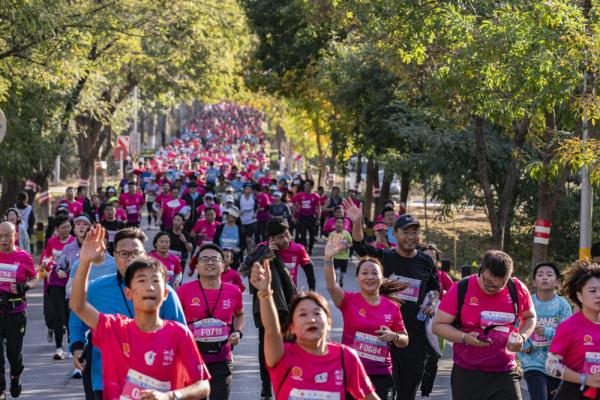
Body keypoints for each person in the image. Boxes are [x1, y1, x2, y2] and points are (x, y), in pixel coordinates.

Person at [70, 226, 211, 400]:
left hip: (162, 386)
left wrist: (170, 395)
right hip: (106, 383)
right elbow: (78, 307)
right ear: (129, 292)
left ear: (165, 292)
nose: (149, 288)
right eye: (124, 254)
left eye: (135, 253)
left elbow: (202, 384)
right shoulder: (115, 326)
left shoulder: (178, 331)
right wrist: (85, 262)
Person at [345, 199, 439, 400]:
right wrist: (356, 222)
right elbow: (360, 247)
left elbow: (434, 288)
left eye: (415, 232)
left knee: (407, 392)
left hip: (413, 337)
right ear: (394, 234)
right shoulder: (385, 258)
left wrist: (432, 301)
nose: (411, 236)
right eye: (406, 232)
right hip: (382, 335)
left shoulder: (425, 261)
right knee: (380, 391)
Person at [249, 261, 379, 400]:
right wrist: (265, 294)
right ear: (292, 327)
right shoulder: (283, 356)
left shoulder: (346, 357)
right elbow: (272, 330)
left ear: (329, 322)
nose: (311, 319)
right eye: (303, 314)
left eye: (317, 313)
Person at [432, 250, 536, 400]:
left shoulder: (516, 289)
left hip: (505, 371)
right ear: (480, 269)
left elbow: (530, 316)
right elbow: (438, 325)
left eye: (499, 285)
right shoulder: (461, 288)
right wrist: (464, 337)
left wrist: (522, 337)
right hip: (467, 373)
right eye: (487, 282)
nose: (492, 288)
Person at [324, 238, 409, 399]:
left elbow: (405, 340)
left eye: (374, 273)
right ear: (357, 278)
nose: (369, 277)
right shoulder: (348, 301)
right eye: (364, 273)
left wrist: (394, 336)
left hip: (381, 375)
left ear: (382, 277)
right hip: (351, 371)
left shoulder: (392, 307)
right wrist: (328, 259)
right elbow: (331, 285)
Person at [177, 244, 245, 400]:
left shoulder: (233, 291)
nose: (209, 263)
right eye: (204, 259)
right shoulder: (184, 291)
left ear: (223, 265)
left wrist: (238, 331)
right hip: (192, 361)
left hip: (222, 360)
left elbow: (240, 314)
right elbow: (172, 320)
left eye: (215, 259)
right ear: (197, 266)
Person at [545, 261, 600, 399]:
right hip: (574, 393)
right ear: (580, 296)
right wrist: (585, 379)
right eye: (593, 291)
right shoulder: (569, 327)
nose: (599, 295)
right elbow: (551, 366)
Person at [518, 262, 572, 400]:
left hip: (556, 363)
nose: (545, 278)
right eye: (540, 275)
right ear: (534, 282)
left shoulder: (563, 305)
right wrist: (524, 345)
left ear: (557, 282)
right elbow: (517, 328)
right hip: (533, 363)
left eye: (549, 275)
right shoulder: (527, 303)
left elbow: (568, 334)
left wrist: (546, 331)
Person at [0, 221, 38, 399]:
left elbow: (35, 278)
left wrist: (24, 287)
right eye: (0, 235)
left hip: (16, 311)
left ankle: (15, 377)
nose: (3, 239)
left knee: (14, 355)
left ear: (15, 236)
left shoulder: (24, 257)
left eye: (7, 235)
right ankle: (1, 390)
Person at [52, 214, 92, 360]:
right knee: (75, 324)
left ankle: (89, 353)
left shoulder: (96, 245)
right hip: (75, 293)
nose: (81, 227)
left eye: (85, 224)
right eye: (78, 224)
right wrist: (61, 271)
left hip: (93, 292)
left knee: (92, 326)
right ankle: (75, 353)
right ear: (74, 229)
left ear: (90, 228)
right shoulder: (68, 248)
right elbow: (60, 265)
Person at [420, 243, 453, 398]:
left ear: (437, 261)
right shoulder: (414, 273)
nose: (429, 259)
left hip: (437, 323)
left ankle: (426, 392)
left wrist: (444, 296)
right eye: (426, 256)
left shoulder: (442, 277)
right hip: (416, 322)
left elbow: (454, 297)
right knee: (416, 359)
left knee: (433, 358)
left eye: (432, 257)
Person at [292, 180, 321, 256]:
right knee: (303, 235)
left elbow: (318, 208)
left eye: (307, 185)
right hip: (302, 218)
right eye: (305, 185)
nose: (306, 186)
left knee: (312, 235)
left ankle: (310, 249)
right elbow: (296, 206)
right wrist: (293, 216)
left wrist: (318, 218)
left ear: (311, 186)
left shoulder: (316, 196)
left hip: (311, 218)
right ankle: (305, 249)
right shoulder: (300, 195)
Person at [328, 217, 353, 287]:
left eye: (341, 222)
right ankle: (336, 282)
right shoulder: (332, 234)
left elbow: (351, 243)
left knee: (343, 272)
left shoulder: (346, 233)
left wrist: (347, 246)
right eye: (337, 222)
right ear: (335, 224)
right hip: (335, 256)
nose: (339, 224)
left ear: (343, 224)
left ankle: (341, 280)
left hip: (345, 256)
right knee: (336, 271)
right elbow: (329, 245)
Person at [239, 183, 258, 250]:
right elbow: (237, 208)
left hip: (251, 221)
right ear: (244, 190)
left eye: (250, 189)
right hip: (242, 222)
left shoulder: (254, 198)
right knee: (243, 239)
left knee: (249, 240)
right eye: (247, 189)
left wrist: (255, 214)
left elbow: (257, 208)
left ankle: (250, 256)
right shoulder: (240, 198)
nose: (248, 190)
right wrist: (239, 213)